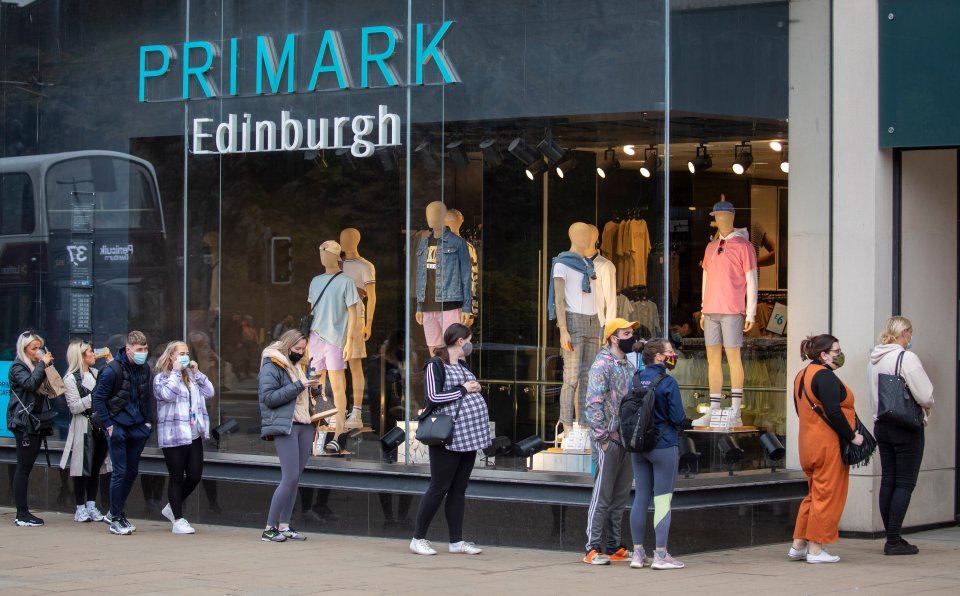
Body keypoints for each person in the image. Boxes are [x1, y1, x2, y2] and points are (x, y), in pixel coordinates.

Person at [410, 323, 491, 556]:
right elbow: (433, 397)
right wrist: (465, 389)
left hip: (469, 436)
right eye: (470, 339)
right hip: (448, 436)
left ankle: (456, 541)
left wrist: (474, 387)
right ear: (460, 341)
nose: (470, 344)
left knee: (459, 489)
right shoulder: (435, 365)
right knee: (439, 487)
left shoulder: (463, 365)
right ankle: (418, 538)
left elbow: (463, 390)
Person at [789, 334, 864, 564]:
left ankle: (799, 545)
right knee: (828, 496)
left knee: (814, 494)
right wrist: (852, 437)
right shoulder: (826, 377)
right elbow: (834, 412)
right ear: (823, 354)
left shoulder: (802, 375)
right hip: (827, 444)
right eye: (836, 351)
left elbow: (801, 410)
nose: (839, 355)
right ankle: (816, 548)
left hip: (807, 443)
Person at [868, 316, 934, 555]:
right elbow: (925, 395)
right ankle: (893, 540)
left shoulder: (875, 359)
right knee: (905, 482)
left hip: (882, 424)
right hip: (905, 426)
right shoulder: (906, 357)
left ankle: (892, 536)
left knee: (889, 480)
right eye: (910, 332)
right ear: (904, 332)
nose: (911, 337)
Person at [582, 318, 640, 565]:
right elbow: (593, 402)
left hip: (625, 440)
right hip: (608, 439)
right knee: (602, 495)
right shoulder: (602, 365)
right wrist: (602, 437)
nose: (631, 337)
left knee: (620, 496)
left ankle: (615, 545)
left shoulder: (627, 365)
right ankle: (592, 548)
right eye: (626, 333)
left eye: (631, 332)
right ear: (614, 338)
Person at [259, 329, 324, 542]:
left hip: (305, 423)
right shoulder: (272, 364)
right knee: (289, 478)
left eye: (303, 349)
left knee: (295, 479)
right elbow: (269, 398)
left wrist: (313, 387)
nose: (300, 352)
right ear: (287, 346)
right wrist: (298, 386)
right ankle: (269, 528)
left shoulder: (298, 365)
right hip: (287, 425)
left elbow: (302, 395)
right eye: (297, 349)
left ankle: (284, 525)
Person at [629, 338, 687, 570]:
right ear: (660, 357)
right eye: (670, 352)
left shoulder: (635, 379)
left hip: (638, 446)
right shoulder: (668, 382)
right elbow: (677, 417)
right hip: (664, 446)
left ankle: (637, 553)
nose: (674, 355)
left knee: (641, 497)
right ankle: (661, 555)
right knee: (662, 500)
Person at [91, 330, 155, 536]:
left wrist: (147, 423)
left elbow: (146, 397)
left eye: (145, 349)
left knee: (131, 471)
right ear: (128, 349)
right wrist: (109, 426)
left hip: (137, 427)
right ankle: (116, 517)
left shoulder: (145, 369)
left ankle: (114, 512)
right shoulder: (112, 370)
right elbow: (98, 399)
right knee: (120, 471)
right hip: (117, 426)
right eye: (139, 349)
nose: (143, 353)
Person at [154, 341, 216, 534]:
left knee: (195, 475)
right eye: (181, 353)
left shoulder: (190, 376)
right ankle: (178, 519)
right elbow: (168, 395)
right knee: (176, 477)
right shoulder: (161, 377)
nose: (185, 356)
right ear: (171, 356)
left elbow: (210, 392)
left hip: (193, 434)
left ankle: (173, 507)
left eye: (187, 353)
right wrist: (174, 371)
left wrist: (197, 373)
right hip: (174, 434)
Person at [7, 331, 56, 526]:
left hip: (36, 420)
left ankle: (23, 513)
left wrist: (46, 366)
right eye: (33, 348)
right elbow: (30, 384)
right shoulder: (18, 366)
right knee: (23, 467)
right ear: (24, 349)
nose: (37, 351)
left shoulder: (36, 365)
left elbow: (51, 389)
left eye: (39, 347)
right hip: (23, 422)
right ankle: (22, 514)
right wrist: (42, 364)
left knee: (26, 466)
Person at [61, 341, 113, 523]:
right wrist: (94, 396)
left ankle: (91, 504)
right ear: (80, 356)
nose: (93, 354)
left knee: (96, 467)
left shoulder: (95, 373)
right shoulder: (70, 378)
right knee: (81, 467)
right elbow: (74, 407)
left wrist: (110, 361)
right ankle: (79, 507)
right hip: (83, 425)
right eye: (90, 351)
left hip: (99, 425)